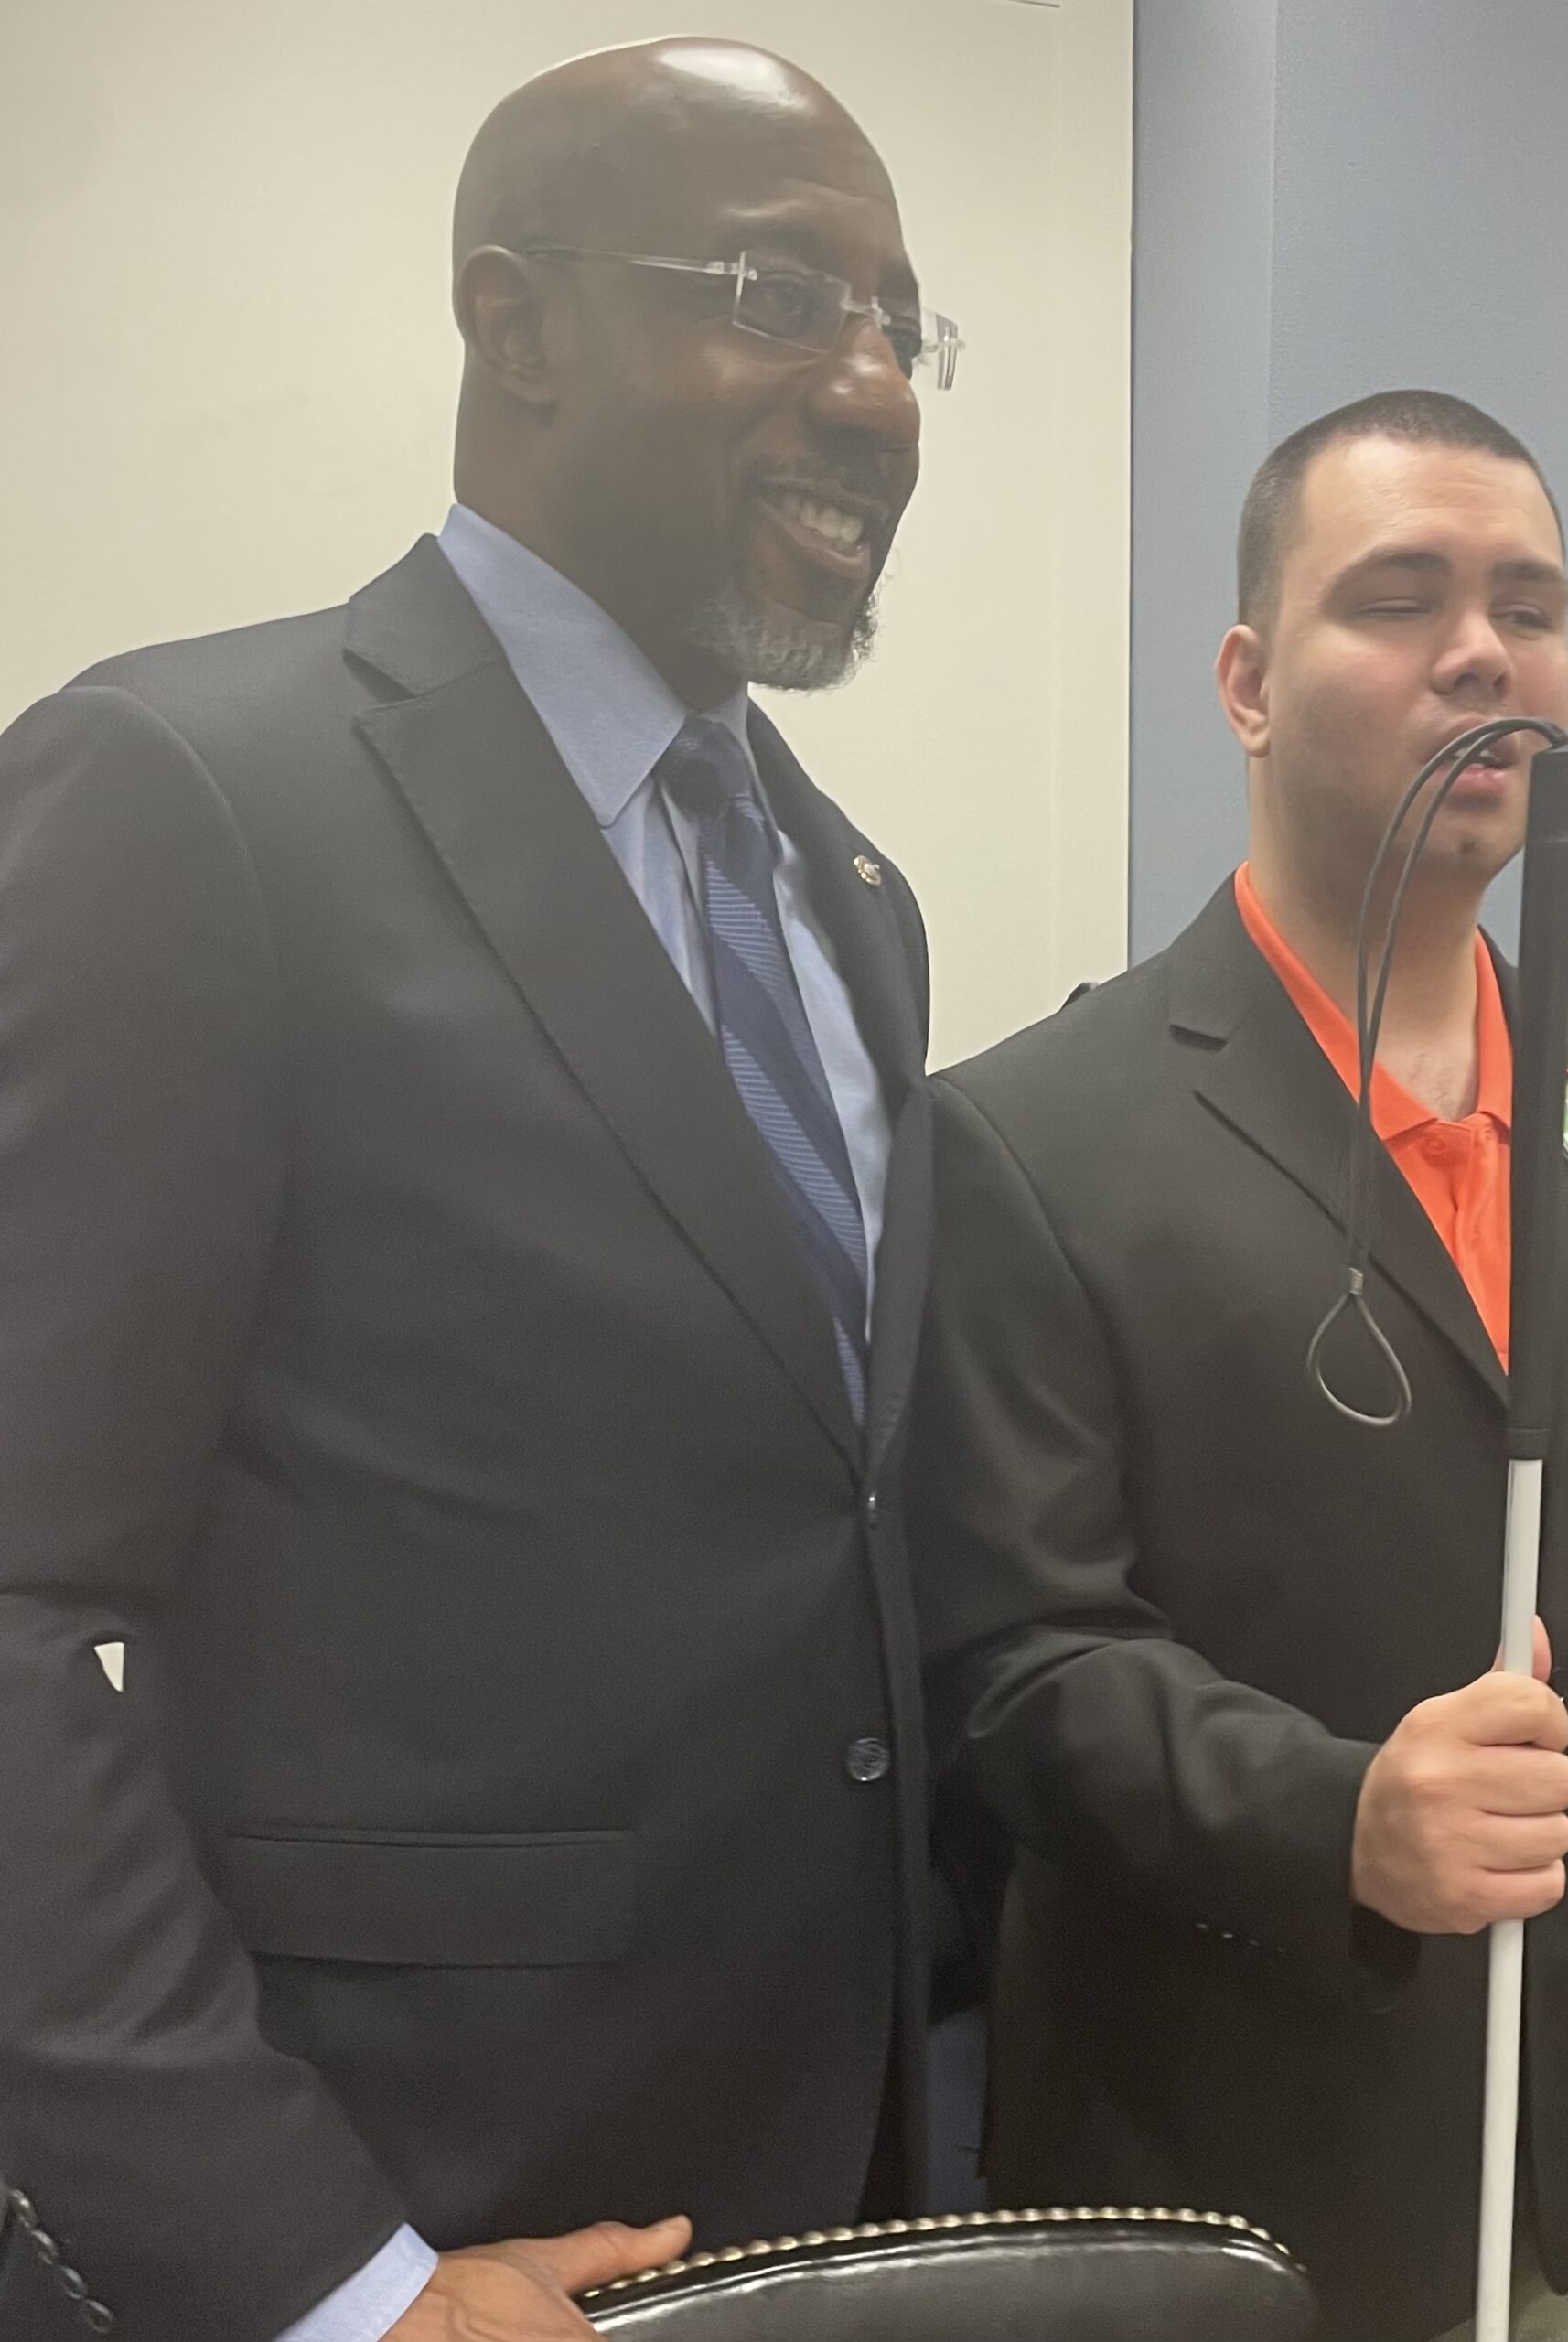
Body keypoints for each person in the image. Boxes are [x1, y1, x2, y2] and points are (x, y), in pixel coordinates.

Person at [0, 38, 959, 2342]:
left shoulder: (853, 896)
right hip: (406, 2216)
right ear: (514, 322)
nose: (872, 391)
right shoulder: (189, 794)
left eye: (901, 327)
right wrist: (332, 2277)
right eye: (777, 296)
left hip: (824, 2198)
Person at [911, 390, 1568, 2342]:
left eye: (1528, 609)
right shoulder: (1032, 1138)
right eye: (1398, 599)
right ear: (1247, 683)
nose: (1482, 654)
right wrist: (1343, 1814)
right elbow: (1022, 1667)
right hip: (1222, 2186)